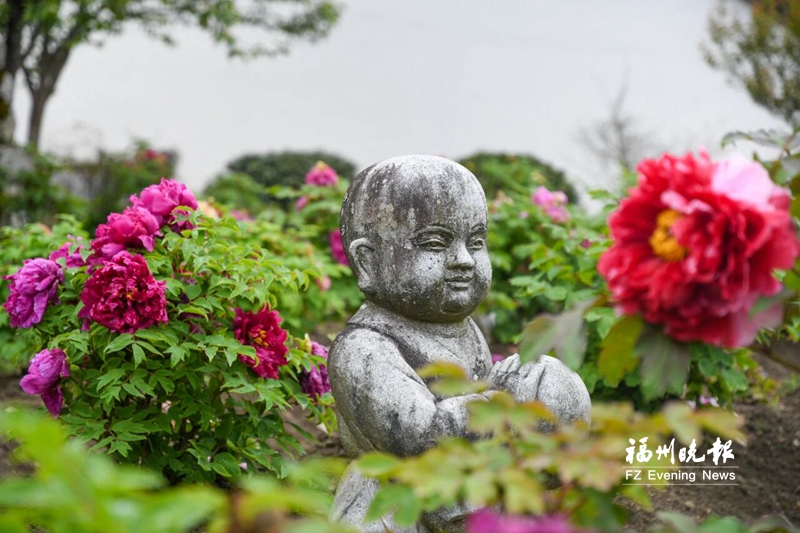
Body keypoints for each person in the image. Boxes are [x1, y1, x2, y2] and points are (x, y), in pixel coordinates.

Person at [328, 155, 591, 532]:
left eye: (476, 241)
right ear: (368, 262)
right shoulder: (365, 350)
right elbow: (418, 437)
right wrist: (499, 403)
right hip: (397, 501)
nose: (464, 260)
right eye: (435, 243)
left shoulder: (466, 330)